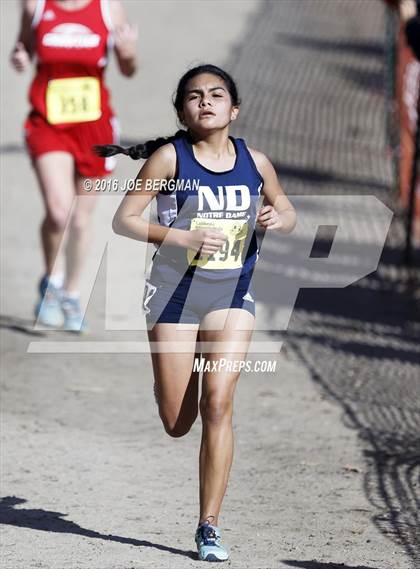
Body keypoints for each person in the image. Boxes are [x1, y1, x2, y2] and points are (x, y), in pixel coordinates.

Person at [97, 64, 297, 562]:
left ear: (234, 109)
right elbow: (124, 219)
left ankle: (209, 525)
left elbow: (288, 212)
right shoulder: (169, 159)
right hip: (174, 297)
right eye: (193, 96)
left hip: (232, 294)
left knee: (219, 403)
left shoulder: (256, 161)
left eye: (216, 94)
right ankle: (172, 378)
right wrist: (180, 236)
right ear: (182, 112)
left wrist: (278, 216)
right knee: (176, 421)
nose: (205, 102)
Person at [10, 0, 137, 331]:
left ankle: (72, 292)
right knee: (58, 210)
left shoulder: (109, 8)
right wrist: (19, 57)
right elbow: (22, 46)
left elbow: (128, 69)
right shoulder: (36, 5)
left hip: (94, 127)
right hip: (48, 122)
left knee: (80, 219)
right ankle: (52, 283)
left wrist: (128, 52)